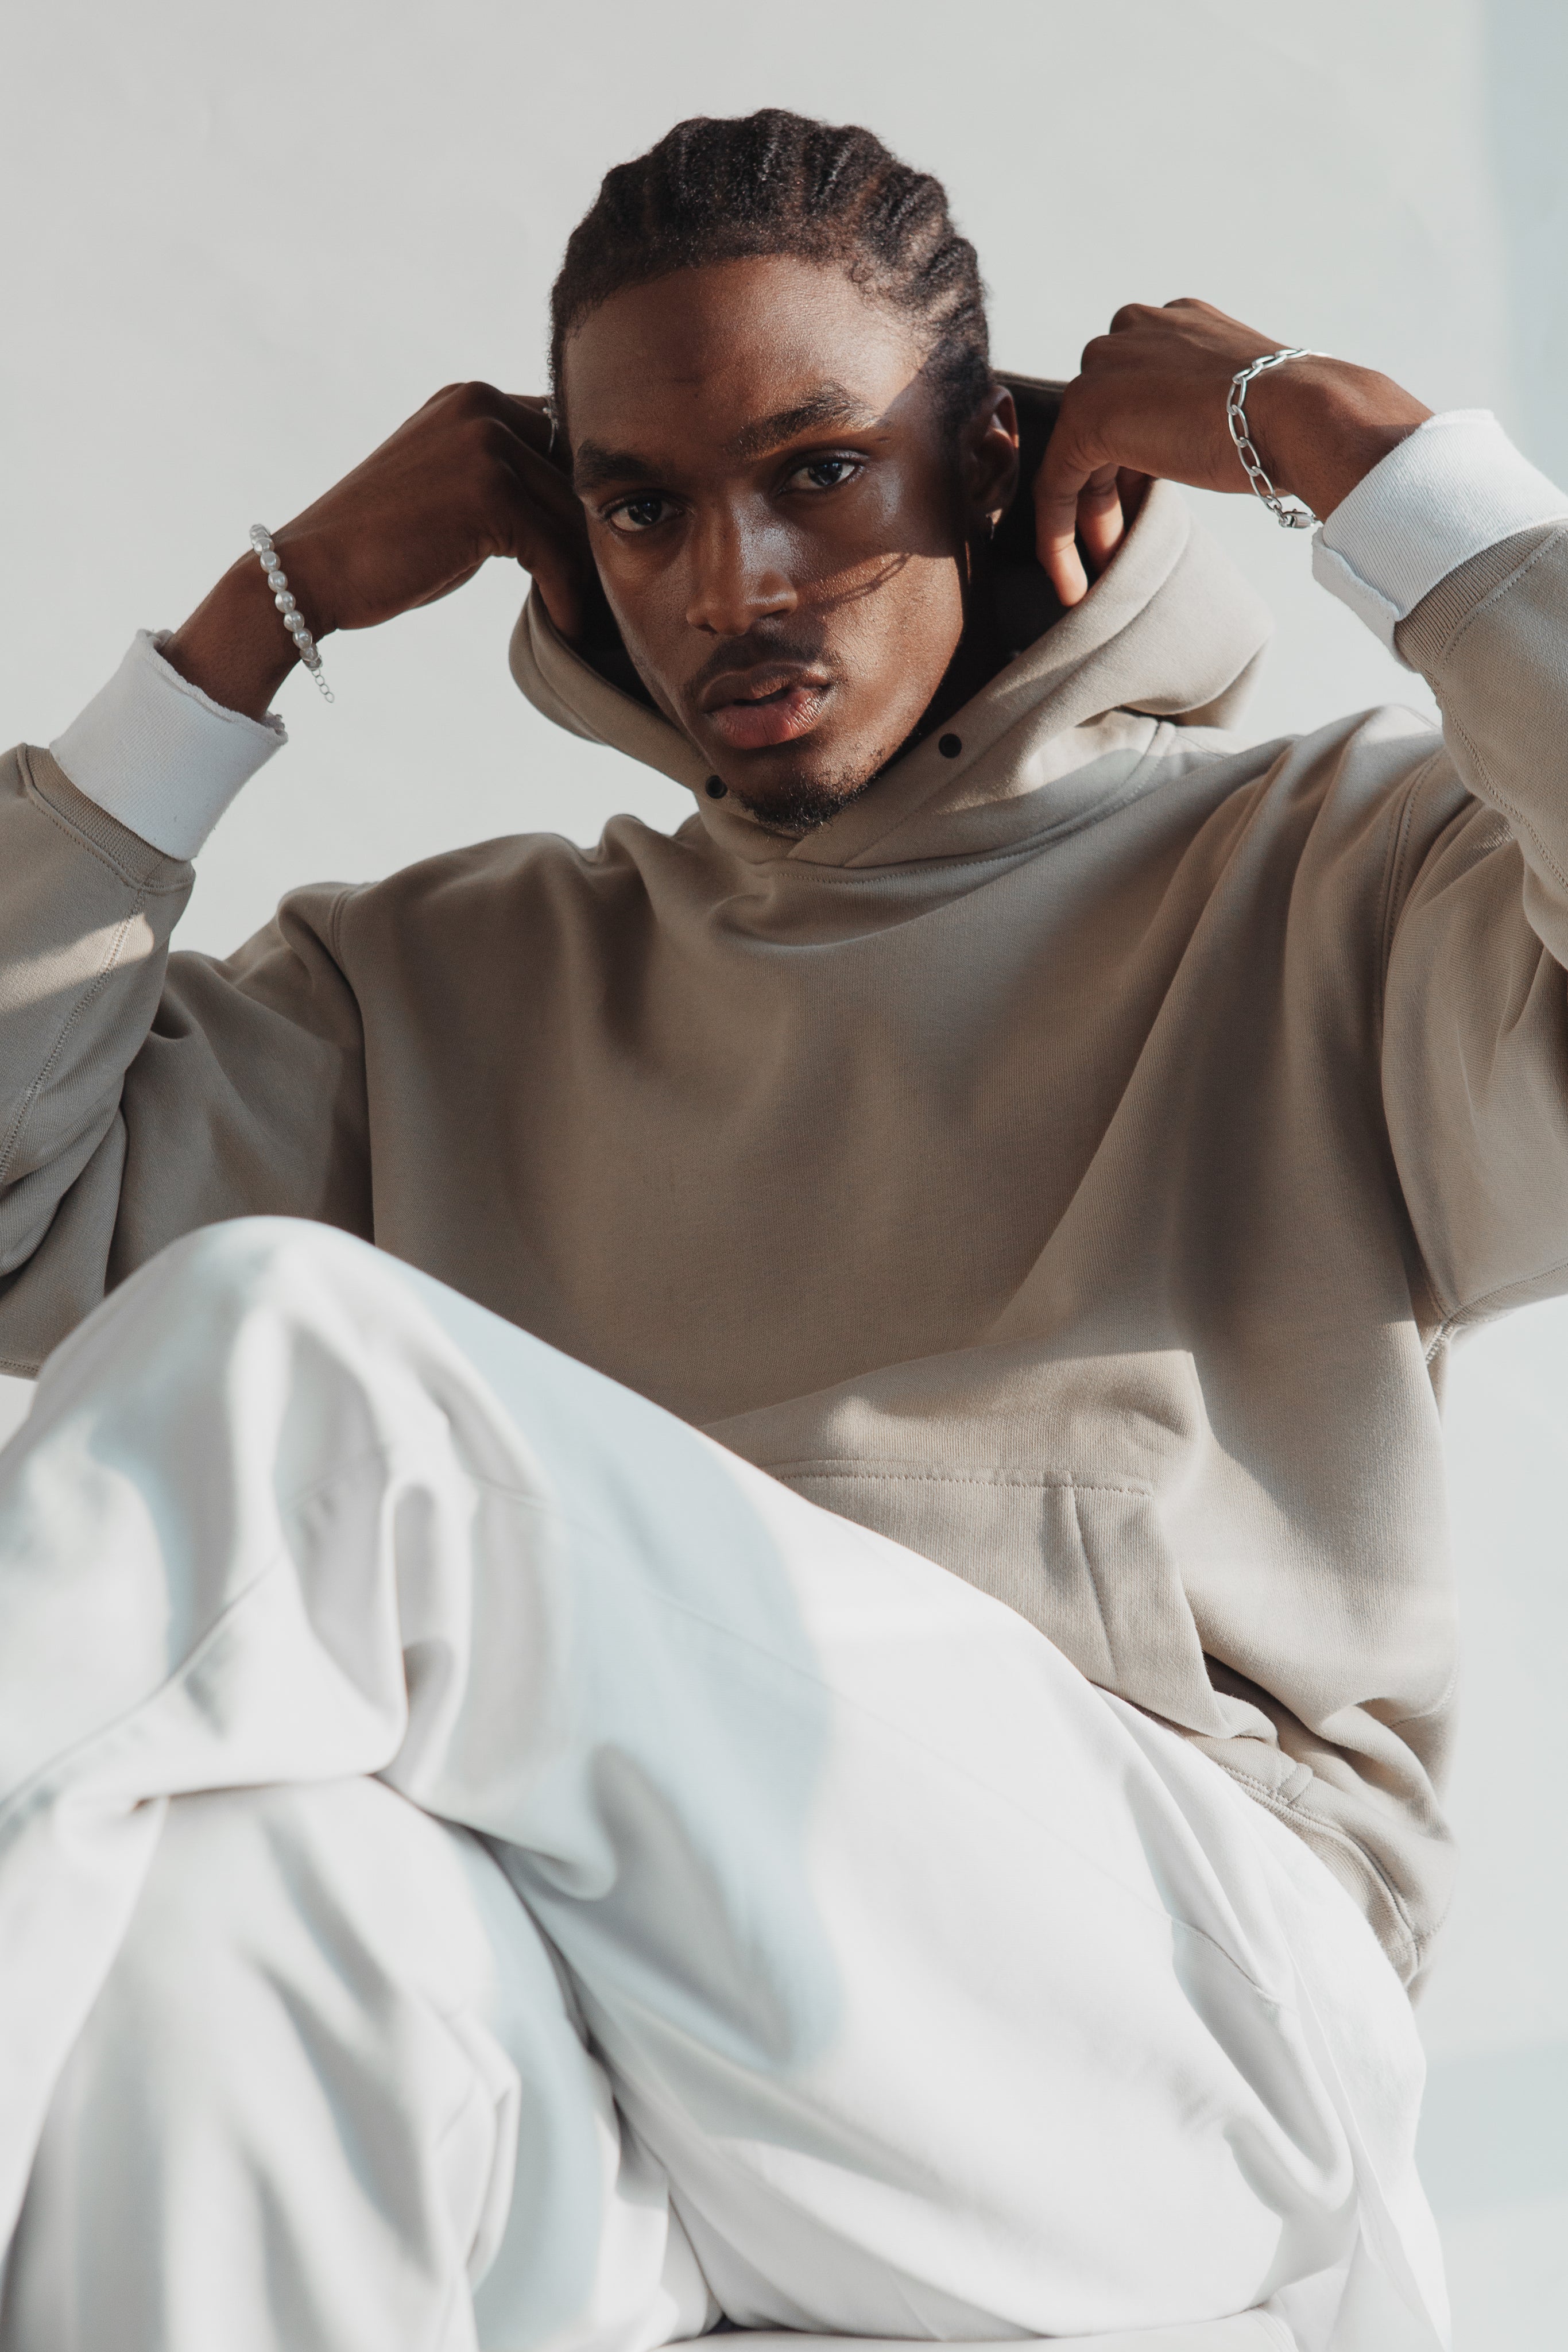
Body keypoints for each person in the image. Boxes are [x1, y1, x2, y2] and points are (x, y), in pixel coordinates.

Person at [0, 103, 1562, 2352]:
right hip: (639, 2033)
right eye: (641, 503)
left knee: (279, 1353)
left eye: (816, 470)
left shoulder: (1326, 877)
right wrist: (266, 616)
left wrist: (1346, 446)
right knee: (230, 1901)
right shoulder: (428, 985)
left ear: (995, 461)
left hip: (1160, 2014)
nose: (731, 582)